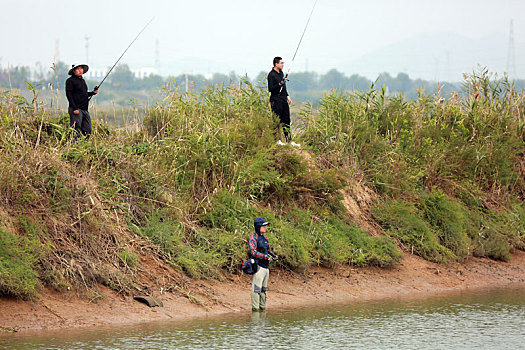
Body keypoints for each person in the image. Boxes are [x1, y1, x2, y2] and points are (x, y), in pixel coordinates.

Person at [267, 57, 300, 147]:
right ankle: (277, 141)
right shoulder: (271, 75)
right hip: (275, 100)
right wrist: (279, 84)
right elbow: (270, 89)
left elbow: (284, 87)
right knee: (277, 120)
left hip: (283, 99)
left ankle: (289, 140)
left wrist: (287, 96)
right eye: (281, 63)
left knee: (286, 120)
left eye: (283, 63)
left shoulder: (281, 73)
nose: (283, 65)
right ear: (276, 64)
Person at [249, 218, 278, 312]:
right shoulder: (253, 238)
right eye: (263, 226)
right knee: (256, 290)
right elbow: (253, 252)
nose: (265, 227)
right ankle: (255, 310)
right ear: (258, 226)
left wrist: (273, 256)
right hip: (258, 267)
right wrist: (265, 257)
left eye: (265, 226)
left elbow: (268, 250)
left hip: (266, 268)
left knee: (263, 290)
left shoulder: (265, 238)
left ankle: (262, 309)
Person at [65, 64, 98, 139]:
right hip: (76, 109)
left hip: (84, 109)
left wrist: (93, 92)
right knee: (76, 130)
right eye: (78, 69)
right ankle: (74, 145)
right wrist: (74, 108)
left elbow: (84, 94)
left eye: (81, 69)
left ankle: (84, 146)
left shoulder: (82, 81)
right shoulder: (70, 81)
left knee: (88, 130)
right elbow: (69, 95)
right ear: (74, 71)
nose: (80, 70)